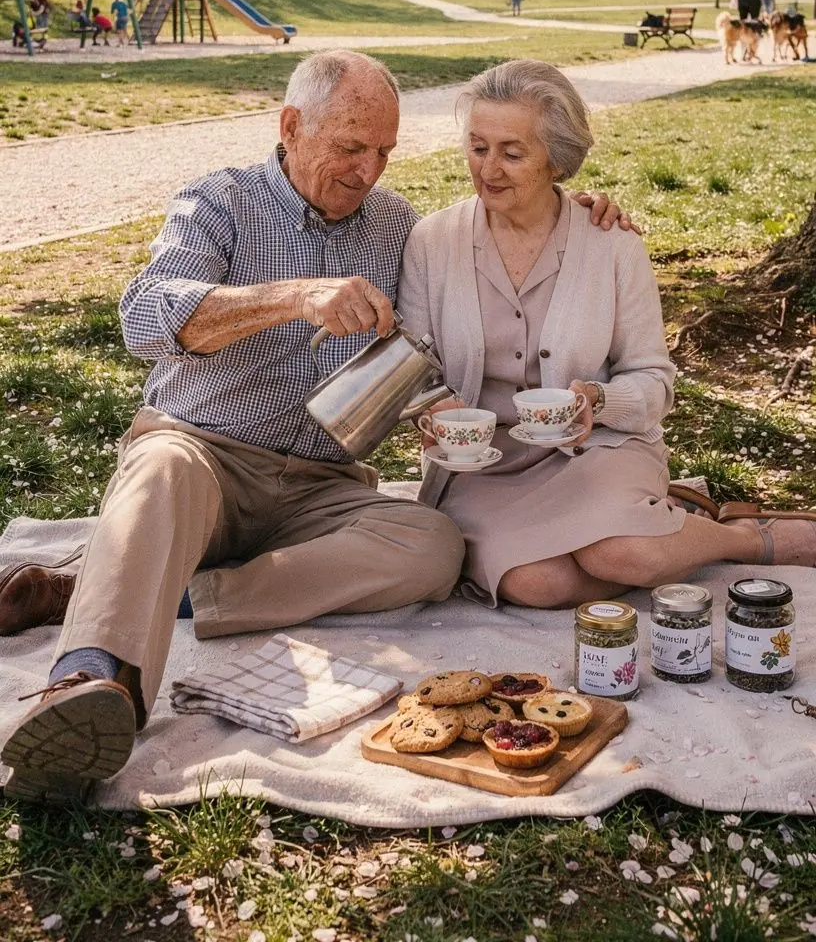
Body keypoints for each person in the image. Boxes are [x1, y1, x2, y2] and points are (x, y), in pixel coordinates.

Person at [0, 49, 631, 798]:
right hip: (204, 458)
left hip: (323, 485)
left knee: (432, 543)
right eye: (350, 147)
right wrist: (294, 296)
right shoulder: (220, 203)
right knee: (160, 467)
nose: (369, 171)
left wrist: (581, 210)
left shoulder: (398, 226)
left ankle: (147, 587)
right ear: (292, 126)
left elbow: (494, 238)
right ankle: (89, 686)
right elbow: (142, 318)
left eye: (385, 152)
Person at [398, 59, 816, 613]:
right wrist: (434, 411)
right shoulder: (431, 241)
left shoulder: (611, 243)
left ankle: (744, 538)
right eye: (478, 148)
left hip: (594, 449)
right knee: (534, 585)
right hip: (482, 465)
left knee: (624, 555)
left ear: (557, 161)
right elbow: (410, 373)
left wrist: (599, 400)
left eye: (512, 152)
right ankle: (664, 527)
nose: (489, 169)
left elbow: (654, 380)